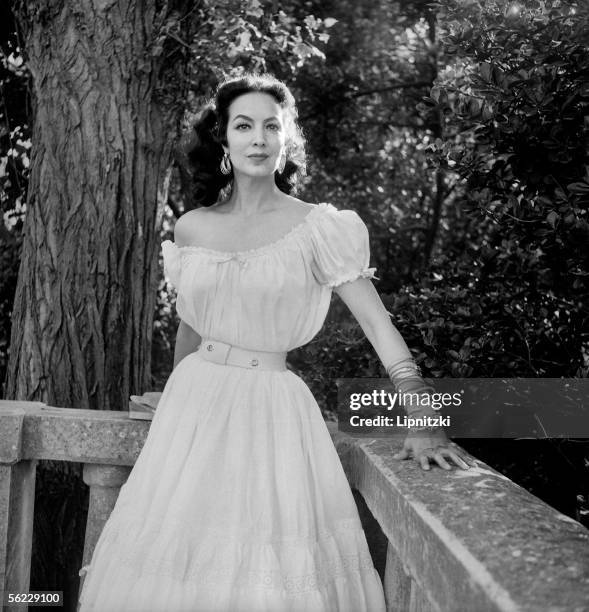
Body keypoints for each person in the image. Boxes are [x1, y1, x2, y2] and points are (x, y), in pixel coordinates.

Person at [78, 73, 473, 612]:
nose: (258, 137)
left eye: (271, 125)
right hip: (193, 414)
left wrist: (423, 415)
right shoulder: (191, 227)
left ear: (288, 138)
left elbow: (379, 326)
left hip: (272, 409)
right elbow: (192, 326)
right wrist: (174, 403)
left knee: (264, 566)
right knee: (172, 566)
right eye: (244, 125)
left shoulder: (319, 228)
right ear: (225, 139)